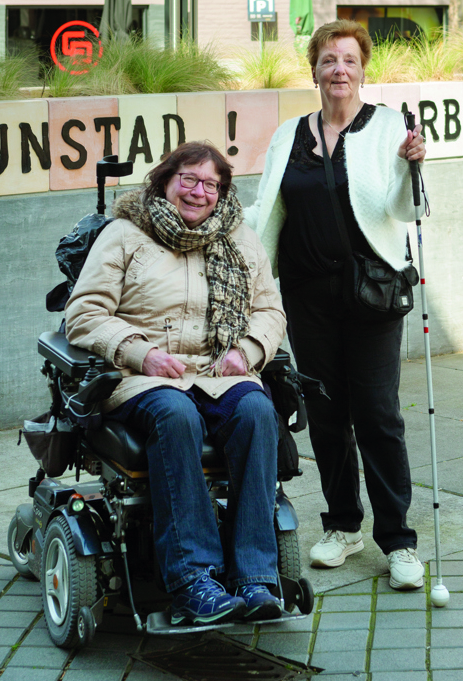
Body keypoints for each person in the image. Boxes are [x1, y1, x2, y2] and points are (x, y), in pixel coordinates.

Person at [65, 142, 286, 626]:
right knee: (177, 415)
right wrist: (138, 351)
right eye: (189, 179)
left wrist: (245, 352)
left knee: (258, 412)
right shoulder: (125, 234)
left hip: (218, 373)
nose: (199, 191)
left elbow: (270, 311)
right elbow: (82, 314)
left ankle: (254, 577)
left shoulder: (240, 238)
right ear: (166, 180)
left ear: (222, 192)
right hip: (143, 376)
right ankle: (193, 580)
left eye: (211, 184)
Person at [245, 19, 427, 590]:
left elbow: (406, 208)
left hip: (371, 293)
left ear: (362, 68)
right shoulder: (289, 134)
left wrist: (414, 162)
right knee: (325, 414)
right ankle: (343, 525)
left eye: (348, 60)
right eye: (328, 61)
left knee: (377, 414)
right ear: (315, 70)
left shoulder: (389, 126)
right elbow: (265, 206)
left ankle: (397, 540)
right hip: (306, 294)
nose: (338, 71)